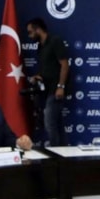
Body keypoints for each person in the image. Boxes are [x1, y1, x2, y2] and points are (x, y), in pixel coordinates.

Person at [26, 17, 70, 146]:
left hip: (56, 89)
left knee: (49, 122)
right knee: (58, 123)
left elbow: (64, 64)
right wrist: (38, 76)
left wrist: (61, 86)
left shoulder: (55, 41)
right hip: (46, 89)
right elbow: (47, 67)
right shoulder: (40, 46)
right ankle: (64, 151)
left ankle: (55, 151)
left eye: (30, 32)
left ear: (38, 29)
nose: (29, 36)